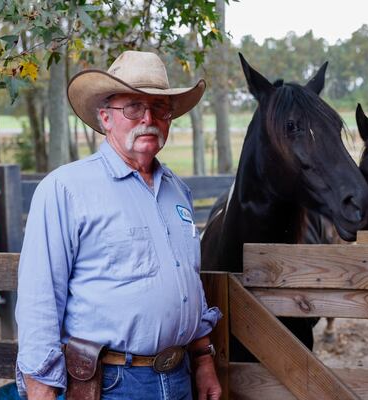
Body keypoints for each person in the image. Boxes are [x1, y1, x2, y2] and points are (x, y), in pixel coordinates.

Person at [15, 50, 222, 400]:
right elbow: (39, 300)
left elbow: (190, 280)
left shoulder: (177, 192)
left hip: (179, 376)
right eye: (133, 107)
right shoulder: (66, 189)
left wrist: (203, 360)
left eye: (160, 109)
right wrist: (41, 390)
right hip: (110, 383)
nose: (148, 118)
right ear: (105, 117)